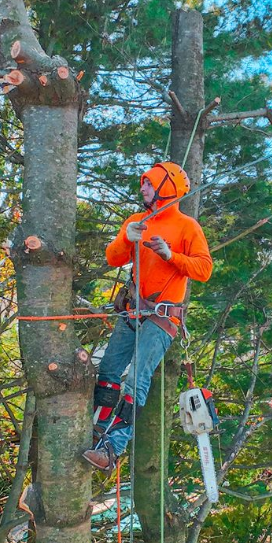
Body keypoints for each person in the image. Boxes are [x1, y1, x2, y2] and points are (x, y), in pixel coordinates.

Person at [82, 162, 213, 471]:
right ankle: (97, 431)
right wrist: (127, 237)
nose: (142, 189)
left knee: (136, 380)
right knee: (110, 371)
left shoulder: (186, 227)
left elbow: (204, 269)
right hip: (133, 309)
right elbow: (113, 257)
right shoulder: (137, 222)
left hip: (162, 318)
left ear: (166, 189)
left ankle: (113, 449)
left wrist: (171, 256)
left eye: (149, 184)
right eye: (144, 184)